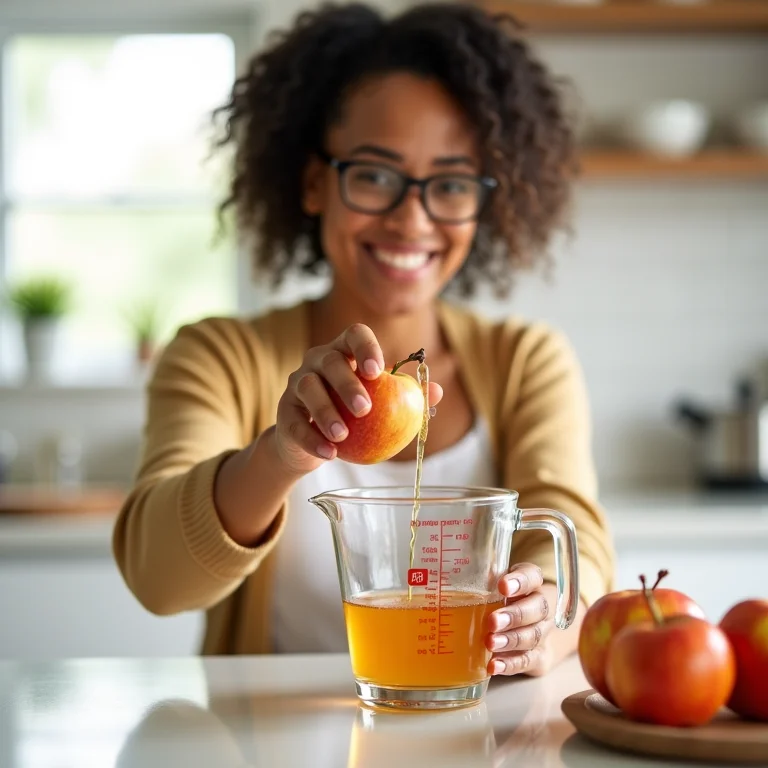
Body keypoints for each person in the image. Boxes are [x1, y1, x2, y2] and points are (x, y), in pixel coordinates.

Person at [113, 1, 615, 677]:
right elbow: (158, 578)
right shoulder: (219, 358)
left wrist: (542, 618)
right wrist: (281, 452)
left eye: (451, 183)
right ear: (316, 182)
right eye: (376, 175)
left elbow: (575, 545)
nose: (413, 219)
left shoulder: (526, 361)